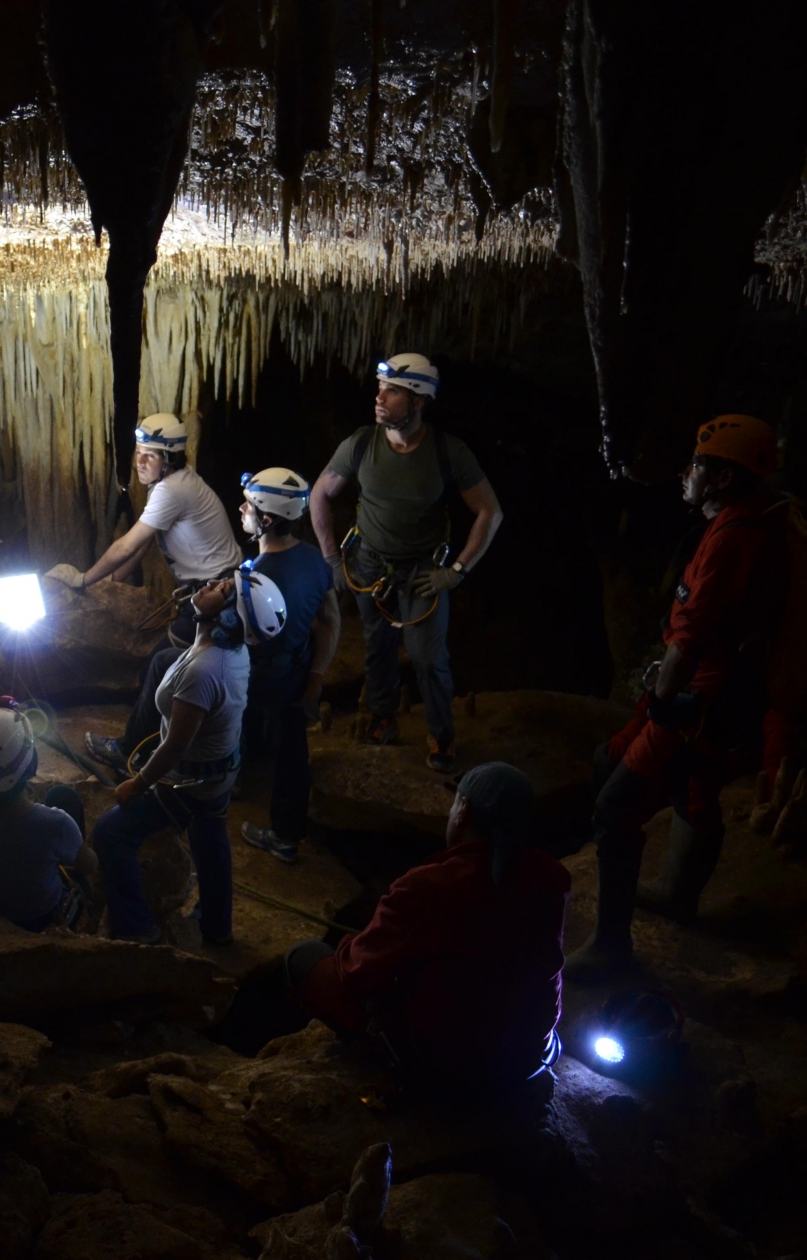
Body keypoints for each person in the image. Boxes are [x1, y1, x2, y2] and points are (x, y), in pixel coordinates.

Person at [567, 415, 788, 981]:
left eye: (697, 463)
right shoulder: (752, 524)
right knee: (695, 787)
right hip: (734, 695)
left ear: (721, 477)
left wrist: (660, 704)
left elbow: (691, 636)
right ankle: (675, 894)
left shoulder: (733, 538)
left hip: (702, 699)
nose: (686, 473)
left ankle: (610, 946)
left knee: (616, 806)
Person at [284, 762, 571, 1095]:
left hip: (451, 1066)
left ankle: (388, 1060)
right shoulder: (551, 877)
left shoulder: (428, 886)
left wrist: (356, 942)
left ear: (462, 812)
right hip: (527, 1055)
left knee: (304, 957)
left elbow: (357, 971)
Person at [308, 354, 503, 773]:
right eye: (379, 388)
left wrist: (457, 571)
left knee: (426, 655)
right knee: (376, 647)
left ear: (418, 401)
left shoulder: (448, 452)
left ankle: (442, 735)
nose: (379, 398)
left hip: (421, 570)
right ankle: (382, 718)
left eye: (392, 391)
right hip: (369, 564)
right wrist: (330, 559)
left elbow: (490, 511)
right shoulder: (361, 444)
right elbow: (319, 494)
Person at [92, 568, 286, 945]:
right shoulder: (227, 649)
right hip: (219, 769)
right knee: (209, 835)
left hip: (189, 780)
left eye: (222, 588)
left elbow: (175, 746)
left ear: (229, 618)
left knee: (110, 833)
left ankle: (136, 930)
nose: (211, 584)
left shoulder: (204, 671)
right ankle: (216, 927)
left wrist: (137, 783)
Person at [47, 413, 244, 775]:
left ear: (168, 460)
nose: (140, 461)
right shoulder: (170, 486)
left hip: (215, 597)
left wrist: (84, 580)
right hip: (218, 590)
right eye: (138, 452)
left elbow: (127, 545)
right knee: (163, 668)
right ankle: (158, 747)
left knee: (160, 668)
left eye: (150, 455)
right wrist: (111, 584)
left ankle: (131, 753)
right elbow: (142, 546)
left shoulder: (172, 490)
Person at [233, 468, 341, 864]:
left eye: (249, 504)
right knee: (292, 747)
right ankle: (286, 832)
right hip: (297, 671)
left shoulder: (255, 578)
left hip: (261, 678)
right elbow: (330, 620)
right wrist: (315, 678)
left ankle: (227, 780)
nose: (241, 508)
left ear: (267, 519)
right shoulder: (314, 561)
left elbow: (236, 642)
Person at [0, 700, 100, 930]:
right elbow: (90, 865)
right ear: (29, 766)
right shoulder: (54, 824)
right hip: (36, 919)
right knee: (62, 796)